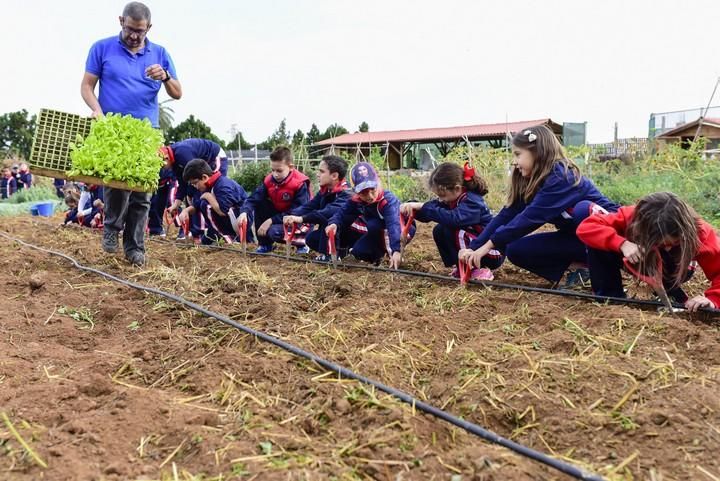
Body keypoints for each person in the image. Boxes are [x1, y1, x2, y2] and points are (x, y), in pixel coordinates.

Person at [81, 1, 182, 265]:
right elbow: (87, 86)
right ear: (120, 21)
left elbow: (178, 93)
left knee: (143, 193)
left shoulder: (160, 54)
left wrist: (166, 76)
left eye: (140, 31)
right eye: (130, 29)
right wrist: (97, 111)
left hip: (147, 133)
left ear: (149, 27)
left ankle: (135, 247)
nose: (135, 35)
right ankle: (112, 229)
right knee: (115, 186)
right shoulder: (102, 48)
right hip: (113, 129)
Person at [458, 125, 618, 285]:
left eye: (518, 154)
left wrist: (487, 246)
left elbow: (530, 218)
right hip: (578, 240)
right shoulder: (534, 182)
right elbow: (506, 216)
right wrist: (474, 246)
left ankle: (604, 271)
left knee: (583, 211)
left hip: (611, 237)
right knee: (516, 249)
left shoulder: (562, 176)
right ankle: (583, 269)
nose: (514, 162)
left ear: (537, 152)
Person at [577, 192, 720, 312]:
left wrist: (713, 299)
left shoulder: (701, 233)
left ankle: (671, 291)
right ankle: (610, 299)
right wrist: (622, 244)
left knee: (670, 256)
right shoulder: (634, 216)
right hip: (640, 258)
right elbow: (587, 227)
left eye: (672, 243)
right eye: (658, 242)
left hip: (678, 268)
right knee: (598, 242)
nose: (667, 247)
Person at [401, 162, 501, 281]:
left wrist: (423, 206)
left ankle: (474, 268)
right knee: (440, 230)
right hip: (476, 243)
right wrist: (415, 209)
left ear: (457, 188)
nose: (440, 199)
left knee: (458, 232)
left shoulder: (472, 201)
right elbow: (433, 211)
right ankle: (460, 266)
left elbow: (454, 219)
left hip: (491, 250)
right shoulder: (452, 199)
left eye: (442, 195)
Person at [326, 162, 415, 269]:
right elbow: (341, 212)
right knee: (358, 252)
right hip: (377, 230)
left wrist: (396, 250)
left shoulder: (387, 201)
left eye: (372, 190)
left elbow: (394, 224)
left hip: (403, 229)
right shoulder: (356, 200)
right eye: (363, 193)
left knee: (374, 225)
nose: (370, 196)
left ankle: (390, 256)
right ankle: (379, 256)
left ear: (377, 184)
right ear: (356, 192)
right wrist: (334, 223)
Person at [238, 147, 311, 253]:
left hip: (301, 219)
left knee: (273, 232)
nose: (275, 174)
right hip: (281, 214)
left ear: (291, 167)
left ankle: (302, 244)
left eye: (279, 171)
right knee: (260, 203)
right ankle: (265, 245)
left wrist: (271, 220)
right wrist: (244, 212)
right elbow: (253, 198)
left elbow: (298, 211)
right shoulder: (269, 180)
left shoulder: (299, 183)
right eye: (272, 170)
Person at [282, 155, 352, 261]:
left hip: (350, 232)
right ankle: (341, 252)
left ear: (334, 175)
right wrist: (291, 215)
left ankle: (330, 256)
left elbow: (328, 212)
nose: (317, 174)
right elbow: (309, 206)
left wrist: (301, 219)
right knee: (311, 239)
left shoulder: (347, 192)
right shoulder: (325, 191)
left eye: (321, 171)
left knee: (328, 218)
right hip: (335, 231)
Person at [159, 138, 228, 241]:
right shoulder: (174, 163)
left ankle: (210, 233)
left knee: (207, 192)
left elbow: (196, 175)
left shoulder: (182, 153)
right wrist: (176, 204)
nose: (162, 168)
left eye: (161, 164)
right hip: (201, 165)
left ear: (166, 158)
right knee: (192, 197)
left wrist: (192, 196)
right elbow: (182, 183)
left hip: (215, 157)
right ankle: (198, 233)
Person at [180, 159, 252, 245]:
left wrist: (208, 196)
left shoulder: (223, 186)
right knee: (203, 204)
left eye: (195, 183)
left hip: (240, 219)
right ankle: (216, 235)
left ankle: (228, 239)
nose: (195, 187)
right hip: (230, 220)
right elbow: (197, 205)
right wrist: (186, 211)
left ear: (204, 177)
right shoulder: (209, 185)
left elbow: (223, 211)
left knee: (205, 205)